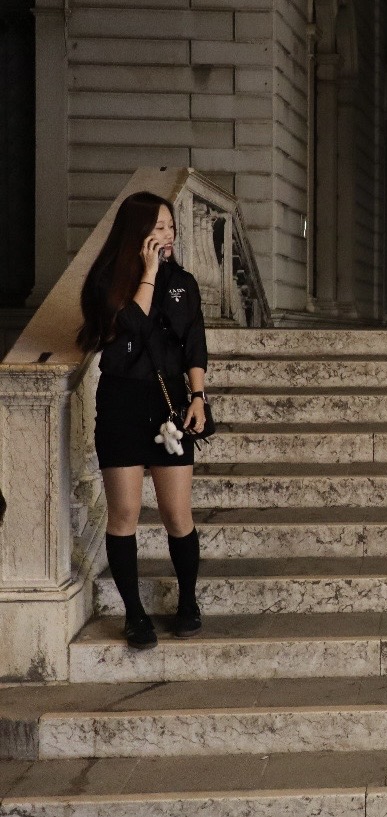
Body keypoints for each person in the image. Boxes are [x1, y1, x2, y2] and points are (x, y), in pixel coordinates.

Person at [77, 191, 209, 649]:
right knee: (125, 513)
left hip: (170, 401)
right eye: (158, 228)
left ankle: (188, 601)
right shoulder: (105, 280)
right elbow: (128, 324)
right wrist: (148, 273)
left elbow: (194, 342)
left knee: (177, 513)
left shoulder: (183, 282)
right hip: (122, 404)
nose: (167, 235)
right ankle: (134, 615)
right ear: (136, 233)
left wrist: (198, 396)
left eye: (170, 227)